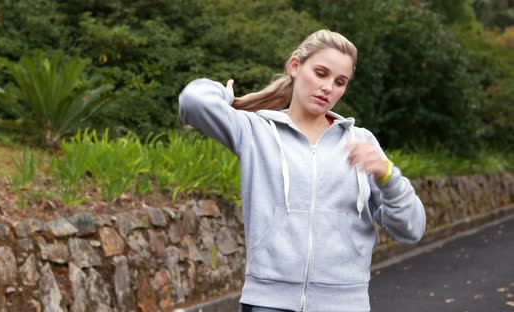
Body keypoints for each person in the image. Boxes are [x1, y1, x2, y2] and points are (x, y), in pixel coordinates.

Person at [178, 29, 426, 312]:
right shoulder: (256, 131)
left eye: (340, 82)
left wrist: (388, 175)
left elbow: (412, 230)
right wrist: (226, 96)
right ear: (295, 66)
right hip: (267, 304)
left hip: (344, 305)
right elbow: (193, 102)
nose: (328, 88)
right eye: (321, 73)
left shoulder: (361, 142)